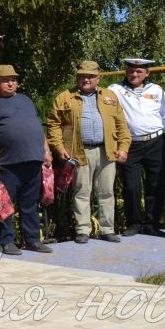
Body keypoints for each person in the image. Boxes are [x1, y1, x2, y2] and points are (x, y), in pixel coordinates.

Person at [46, 61, 131, 244]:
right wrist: (59, 148)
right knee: (82, 191)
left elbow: (121, 124)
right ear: (77, 77)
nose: (86, 79)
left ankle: (107, 229)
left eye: (90, 76)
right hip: (79, 151)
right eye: (82, 76)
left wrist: (123, 148)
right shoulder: (65, 97)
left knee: (106, 191)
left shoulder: (109, 96)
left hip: (106, 151)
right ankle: (83, 230)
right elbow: (53, 125)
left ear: (97, 78)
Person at [0, 65, 53, 254]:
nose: (11, 83)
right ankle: (7, 241)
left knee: (30, 203)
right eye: (6, 80)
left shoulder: (25, 100)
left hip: (33, 159)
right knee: (5, 204)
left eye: (13, 79)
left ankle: (32, 240)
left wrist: (46, 151)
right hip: (7, 163)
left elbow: (37, 126)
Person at [108, 58, 165, 236]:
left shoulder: (157, 90)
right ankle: (134, 223)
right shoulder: (115, 90)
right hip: (131, 144)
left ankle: (152, 224)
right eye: (131, 70)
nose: (134, 74)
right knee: (130, 186)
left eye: (139, 71)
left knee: (156, 184)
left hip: (156, 142)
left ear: (147, 73)